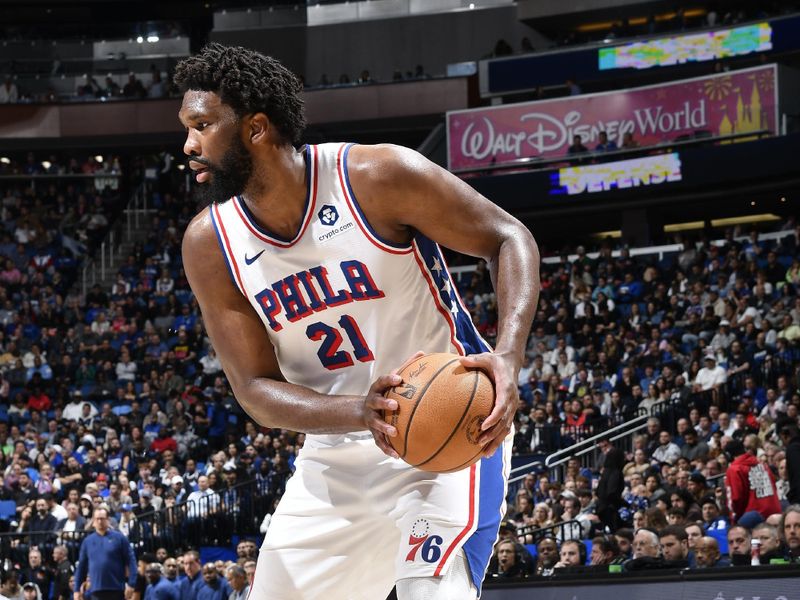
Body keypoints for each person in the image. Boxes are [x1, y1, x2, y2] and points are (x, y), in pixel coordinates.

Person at [174, 43, 539, 600]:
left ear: (256, 128)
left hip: (448, 427)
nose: (189, 145)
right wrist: (360, 413)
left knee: (430, 591)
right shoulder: (209, 243)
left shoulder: (375, 176)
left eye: (202, 125)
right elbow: (254, 389)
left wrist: (509, 355)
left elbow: (507, 237)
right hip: (335, 455)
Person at [73, 507, 137, 600]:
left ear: (108, 520)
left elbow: (131, 561)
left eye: (102, 518)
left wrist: (132, 583)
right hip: (95, 589)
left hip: (117, 588)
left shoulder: (120, 538)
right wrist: (76, 590)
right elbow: (81, 567)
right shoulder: (87, 541)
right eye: (97, 519)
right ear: (93, 521)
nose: (99, 521)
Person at [724, 439, 781, 527]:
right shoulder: (762, 464)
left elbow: (736, 498)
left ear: (728, 455)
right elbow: (774, 485)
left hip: (753, 518)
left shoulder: (734, 469)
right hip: (775, 513)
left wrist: (734, 520)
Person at [778, 420, 800, 504]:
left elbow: (797, 474)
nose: (783, 443)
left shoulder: (793, 448)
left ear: (785, 436)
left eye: (782, 439)